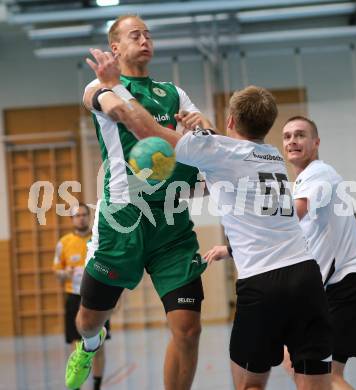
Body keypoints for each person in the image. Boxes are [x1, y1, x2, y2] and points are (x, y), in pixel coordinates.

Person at [84, 51, 334, 389]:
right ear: (270, 126)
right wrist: (203, 132)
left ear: (230, 122)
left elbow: (145, 129)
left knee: (250, 384)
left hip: (262, 283)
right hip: (307, 275)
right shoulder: (274, 156)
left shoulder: (219, 152)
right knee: (314, 381)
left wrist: (114, 86)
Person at [65, 15, 209, 390]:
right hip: (123, 219)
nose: (145, 39)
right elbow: (121, 115)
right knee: (89, 319)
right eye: (135, 35)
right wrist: (115, 87)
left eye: (148, 33)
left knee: (189, 328)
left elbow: (205, 139)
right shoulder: (99, 86)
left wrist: (200, 125)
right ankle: (90, 345)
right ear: (115, 48)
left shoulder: (173, 93)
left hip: (172, 223)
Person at [281, 116, 356, 390]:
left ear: (316, 142)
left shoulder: (318, 173)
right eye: (287, 136)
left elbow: (291, 216)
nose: (292, 141)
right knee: (292, 360)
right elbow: (296, 239)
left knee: (328, 375)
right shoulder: (303, 182)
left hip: (349, 284)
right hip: (335, 286)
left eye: (300, 135)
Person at [53, 203, 110, 390]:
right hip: (74, 297)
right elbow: (57, 272)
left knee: (98, 345)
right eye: (77, 215)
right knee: (77, 345)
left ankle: (96, 385)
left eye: (85, 214)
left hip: (97, 296)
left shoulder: (98, 239)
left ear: (89, 216)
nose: (81, 218)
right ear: (72, 219)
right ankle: (77, 384)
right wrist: (65, 273)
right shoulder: (63, 243)